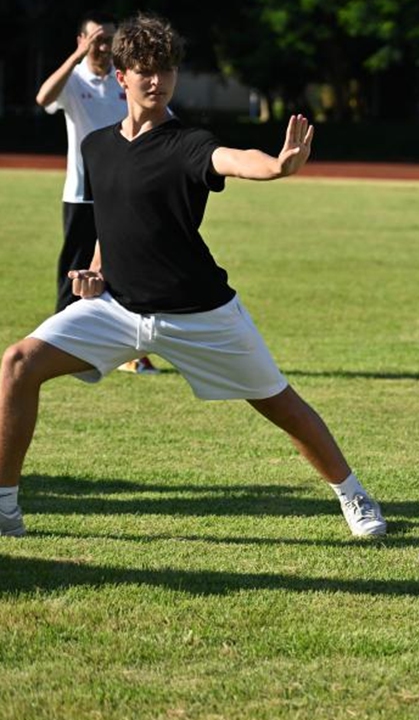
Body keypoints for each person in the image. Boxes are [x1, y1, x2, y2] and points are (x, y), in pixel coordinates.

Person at [0, 13, 385, 539]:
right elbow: (110, 223)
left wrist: (277, 165)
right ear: (122, 78)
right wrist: (94, 272)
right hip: (115, 311)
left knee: (280, 405)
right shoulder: (97, 148)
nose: (157, 81)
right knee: (18, 362)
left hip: (200, 313)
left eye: (166, 70)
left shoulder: (188, 143)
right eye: (145, 70)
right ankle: (4, 507)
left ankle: (354, 496)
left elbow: (231, 158)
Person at [36, 10, 158, 375]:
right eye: (95, 40)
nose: (102, 46)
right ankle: (58, 342)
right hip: (81, 192)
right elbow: (43, 99)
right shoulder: (75, 80)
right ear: (82, 41)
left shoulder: (124, 82)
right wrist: (76, 57)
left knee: (123, 265)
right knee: (74, 269)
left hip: (123, 191)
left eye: (108, 39)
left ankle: (129, 350)